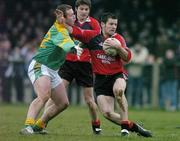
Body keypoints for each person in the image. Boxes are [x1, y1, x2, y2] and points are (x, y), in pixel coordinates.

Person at [65, 12, 152, 137]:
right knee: (107, 113)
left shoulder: (119, 39)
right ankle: (135, 127)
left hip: (117, 75)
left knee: (119, 91)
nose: (113, 26)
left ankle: (124, 129)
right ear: (102, 24)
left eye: (115, 24)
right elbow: (76, 32)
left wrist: (119, 48)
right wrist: (62, 22)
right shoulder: (93, 37)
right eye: (111, 24)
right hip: (100, 79)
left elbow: (127, 58)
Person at [20, 4, 78, 135]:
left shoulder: (65, 28)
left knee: (63, 103)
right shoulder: (59, 30)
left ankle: (38, 126)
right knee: (44, 96)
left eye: (74, 14)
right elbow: (68, 46)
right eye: (71, 15)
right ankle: (28, 126)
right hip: (40, 65)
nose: (74, 17)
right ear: (64, 17)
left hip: (52, 70)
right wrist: (75, 47)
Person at [58, 0, 101, 134]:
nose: (84, 12)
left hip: (84, 64)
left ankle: (96, 125)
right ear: (76, 9)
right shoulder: (70, 21)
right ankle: (42, 124)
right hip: (68, 62)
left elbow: (95, 39)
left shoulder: (94, 23)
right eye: (81, 9)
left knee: (89, 101)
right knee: (56, 94)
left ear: (89, 11)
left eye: (86, 9)